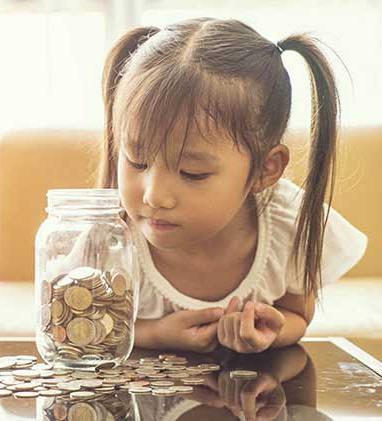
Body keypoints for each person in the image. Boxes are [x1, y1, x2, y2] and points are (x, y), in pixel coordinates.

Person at [96, 17, 368, 353]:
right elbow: (80, 329)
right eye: (137, 161)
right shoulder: (107, 235)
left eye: (192, 173)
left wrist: (272, 331)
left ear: (265, 170)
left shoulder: (289, 223)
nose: (154, 195)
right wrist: (155, 333)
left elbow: (297, 314)